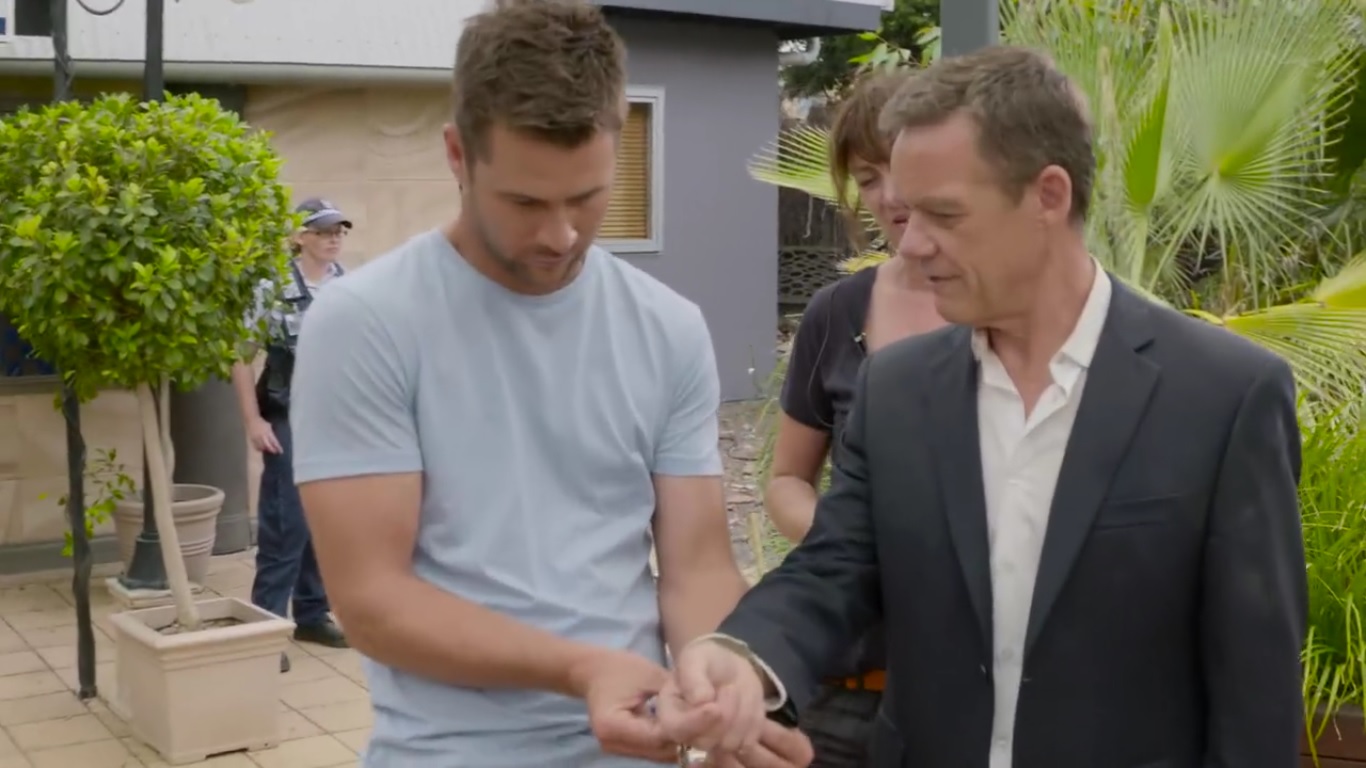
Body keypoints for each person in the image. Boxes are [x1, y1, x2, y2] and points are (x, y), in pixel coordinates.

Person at [659, 45, 1308, 768]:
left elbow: (1256, 696)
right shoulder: (897, 389)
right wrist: (741, 656)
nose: (912, 243)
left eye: (943, 214)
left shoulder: (1224, 396)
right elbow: (834, 567)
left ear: (1048, 196)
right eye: (906, 213)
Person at [286, 1, 810, 766]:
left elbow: (696, 565)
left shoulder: (666, 326)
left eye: (588, 198)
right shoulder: (366, 324)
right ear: (458, 155)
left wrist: (718, 681)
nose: (560, 234)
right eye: (526, 202)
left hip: (638, 746)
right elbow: (372, 601)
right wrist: (582, 670)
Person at [764, 70, 946, 767]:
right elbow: (787, 480)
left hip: (970, 688)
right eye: (869, 178)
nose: (890, 196)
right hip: (844, 688)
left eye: (901, 167)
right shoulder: (837, 312)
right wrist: (856, 547)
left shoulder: (1009, 311)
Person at [231, 197, 352, 673]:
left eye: (339, 231)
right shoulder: (272, 288)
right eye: (323, 231)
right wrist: (253, 421)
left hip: (337, 422)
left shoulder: (347, 286)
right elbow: (241, 356)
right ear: (300, 237)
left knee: (326, 520)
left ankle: (312, 614)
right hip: (287, 417)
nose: (334, 238)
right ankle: (265, 628)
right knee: (286, 524)